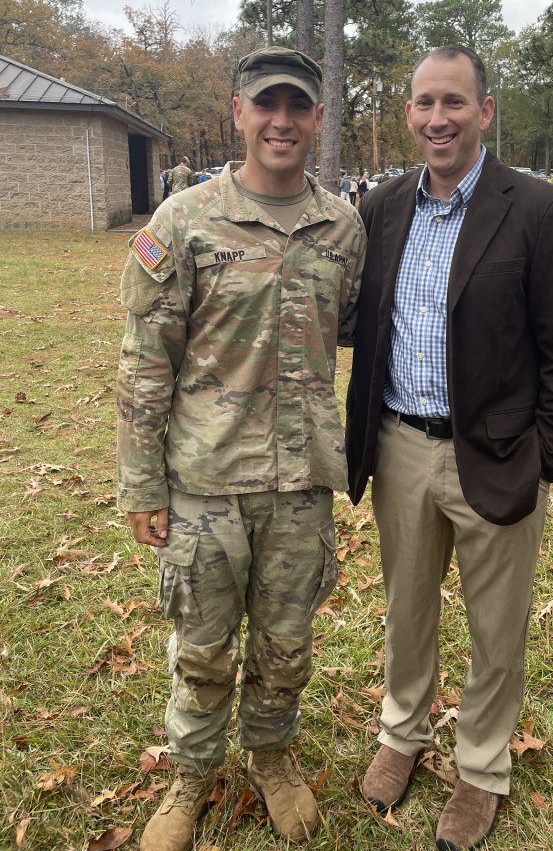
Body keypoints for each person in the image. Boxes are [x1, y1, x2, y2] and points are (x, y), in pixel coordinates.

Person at [116, 46, 366, 851]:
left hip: (300, 483)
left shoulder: (343, 227)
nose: (281, 121)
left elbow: (353, 329)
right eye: (266, 105)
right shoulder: (184, 220)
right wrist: (140, 485)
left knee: (286, 647)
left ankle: (270, 756)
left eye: (297, 107)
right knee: (203, 648)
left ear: (318, 118)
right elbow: (146, 360)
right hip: (205, 482)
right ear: (238, 113)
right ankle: (192, 775)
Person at [345, 45, 553, 850]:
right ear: (408, 114)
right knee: (406, 612)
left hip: (499, 455)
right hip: (400, 448)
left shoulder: (537, 210)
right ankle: (402, 733)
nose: (438, 118)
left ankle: (481, 768)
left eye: (454, 101)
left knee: (497, 628)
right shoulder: (382, 208)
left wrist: (544, 457)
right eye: (424, 103)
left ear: (484, 111)